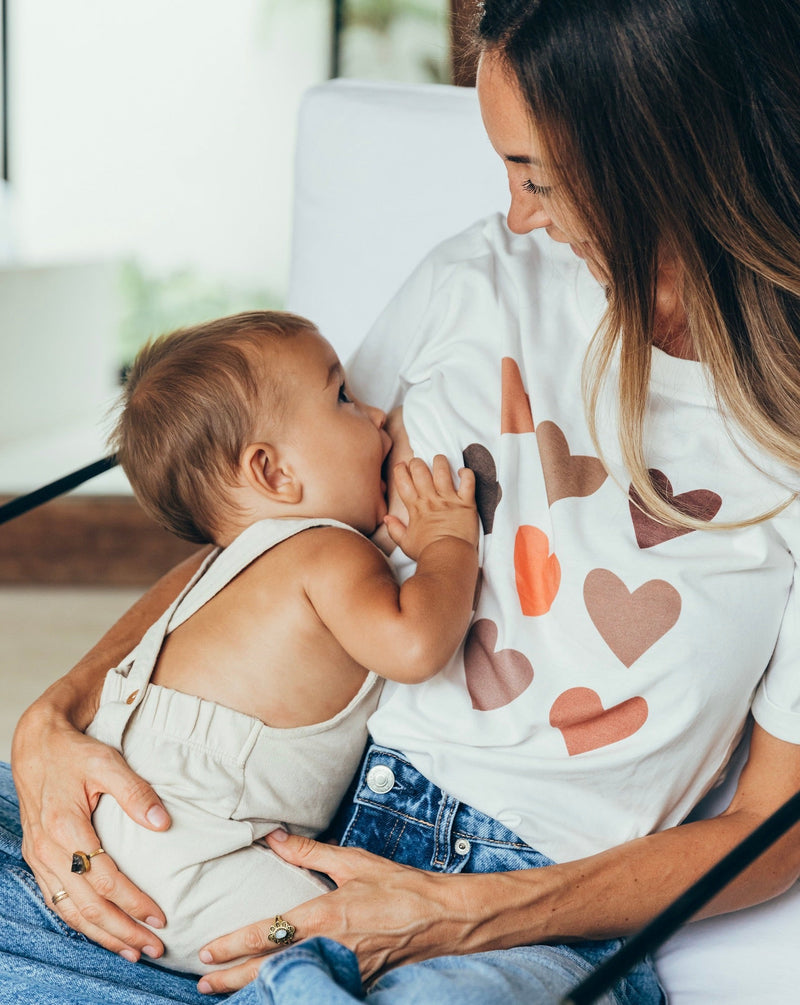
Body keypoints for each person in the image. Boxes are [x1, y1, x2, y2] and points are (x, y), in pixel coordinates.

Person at [3, 0, 800, 1002]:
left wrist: (463, 916)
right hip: (280, 832)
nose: (515, 217)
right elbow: (276, 535)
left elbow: (767, 832)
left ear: (664, 161)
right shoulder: (478, 277)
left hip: (523, 912)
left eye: (537, 176)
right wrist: (58, 713)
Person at [79, 310, 479, 975]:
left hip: (131, 835)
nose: (379, 415)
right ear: (272, 472)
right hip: (196, 864)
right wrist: (448, 545)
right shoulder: (328, 553)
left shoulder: (225, 569)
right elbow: (415, 647)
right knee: (365, 938)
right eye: (344, 398)